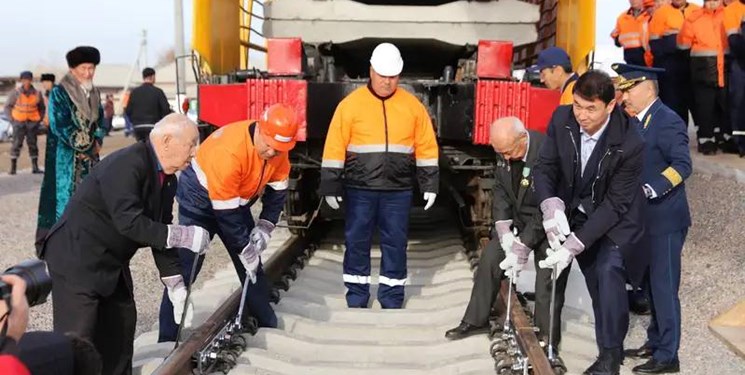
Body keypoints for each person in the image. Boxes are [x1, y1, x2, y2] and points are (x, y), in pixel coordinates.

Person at [40, 114, 209, 375]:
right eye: (192, 143)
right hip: (77, 256)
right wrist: (184, 235)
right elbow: (130, 223)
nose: (195, 152)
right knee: (77, 338)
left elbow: (160, 228)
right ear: (166, 141)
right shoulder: (129, 164)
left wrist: (175, 284)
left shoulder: (169, 179)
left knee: (121, 327)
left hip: (111, 259)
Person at [534, 70, 646, 375]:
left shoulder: (631, 140)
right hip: (568, 207)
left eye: (590, 108)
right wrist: (550, 205)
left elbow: (616, 203)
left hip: (612, 217)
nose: (581, 115)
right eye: (578, 106)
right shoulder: (561, 119)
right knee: (551, 269)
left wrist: (576, 243)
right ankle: (546, 341)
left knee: (607, 274)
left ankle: (610, 356)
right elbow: (544, 167)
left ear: (610, 106)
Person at [157, 104, 299, 342]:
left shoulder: (278, 149)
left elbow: (278, 191)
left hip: (234, 202)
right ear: (261, 131)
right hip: (199, 203)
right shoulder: (230, 151)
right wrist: (245, 248)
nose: (273, 154)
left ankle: (266, 320)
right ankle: (167, 338)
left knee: (252, 266)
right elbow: (228, 217)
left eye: (279, 150)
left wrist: (265, 226)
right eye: (270, 148)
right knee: (187, 268)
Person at [320, 42, 440, 309]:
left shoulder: (413, 107)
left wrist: (430, 183)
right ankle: (357, 297)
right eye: (383, 75)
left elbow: (426, 146)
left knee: (396, 244)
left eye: (393, 76)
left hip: (398, 190)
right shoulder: (350, 106)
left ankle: (392, 297)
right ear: (371, 71)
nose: (388, 81)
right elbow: (334, 146)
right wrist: (330, 185)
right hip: (359, 188)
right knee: (356, 242)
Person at [444, 117, 571, 350]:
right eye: (499, 152)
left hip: (549, 222)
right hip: (520, 221)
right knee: (490, 258)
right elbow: (501, 189)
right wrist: (503, 228)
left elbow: (548, 203)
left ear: (523, 138)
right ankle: (475, 319)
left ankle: (546, 339)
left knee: (548, 279)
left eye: (508, 151)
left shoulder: (548, 152)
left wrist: (523, 244)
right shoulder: (506, 149)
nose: (504, 157)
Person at [613, 64, 692, 374]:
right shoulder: (635, 121)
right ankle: (655, 340)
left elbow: (683, 165)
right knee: (648, 286)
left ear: (648, 88)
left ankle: (668, 356)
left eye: (629, 89)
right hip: (643, 221)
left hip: (665, 221)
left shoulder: (668, 121)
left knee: (664, 287)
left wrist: (652, 188)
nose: (624, 96)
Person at [35, 46, 105, 253]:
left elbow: (100, 121)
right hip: (66, 157)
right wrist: (85, 144)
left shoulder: (94, 92)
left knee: (92, 197)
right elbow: (60, 124)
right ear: (73, 69)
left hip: (91, 157)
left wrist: (97, 140)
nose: (88, 73)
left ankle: (89, 240)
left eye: (91, 68)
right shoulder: (60, 92)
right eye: (84, 68)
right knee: (64, 199)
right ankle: (62, 245)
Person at [678, 0, 735, 155]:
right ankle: (706, 141)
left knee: (726, 106)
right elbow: (683, 45)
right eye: (709, 0)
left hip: (726, 69)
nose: (713, 3)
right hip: (703, 72)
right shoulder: (693, 18)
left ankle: (726, 139)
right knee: (705, 108)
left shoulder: (729, 14)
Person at [4, 71, 45, 175]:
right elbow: (8, 107)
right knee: (16, 144)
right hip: (18, 122)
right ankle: (13, 168)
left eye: (28, 79)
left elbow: (42, 108)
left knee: (33, 144)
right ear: (21, 80)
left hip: (32, 123)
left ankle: (35, 167)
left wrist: (38, 120)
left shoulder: (37, 93)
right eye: (24, 79)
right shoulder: (15, 93)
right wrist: (12, 120)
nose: (26, 81)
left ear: (31, 80)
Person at [125, 67, 172, 142]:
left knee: (141, 147)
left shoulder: (134, 92)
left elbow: (128, 110)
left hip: (138, 126)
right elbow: (165, 109)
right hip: (153, 125)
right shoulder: (158, 92)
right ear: (152, 76)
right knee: (152, 149)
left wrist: (134, 121)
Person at [724, 0, 745, 156]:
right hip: (739, 62)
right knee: (739, 102)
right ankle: (740, 142)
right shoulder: (732, 10)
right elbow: (734, 41)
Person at [612, 0, 655, 67]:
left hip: (648, 57)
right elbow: (616, 36)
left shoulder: (650, 15)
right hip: (629, 58)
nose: (633, 1)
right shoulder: (622, 17)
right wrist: (618, 39)